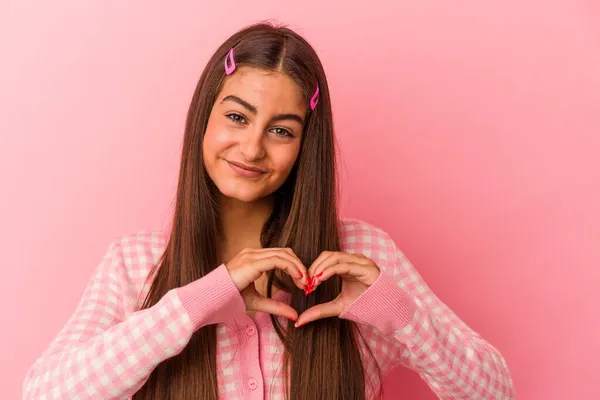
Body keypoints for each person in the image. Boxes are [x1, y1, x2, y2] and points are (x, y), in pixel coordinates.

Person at [22, 22, 515, 400]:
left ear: (305, 146)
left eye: (281, 130)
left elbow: (495, 390)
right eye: (237, 117)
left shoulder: (360, 254)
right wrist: (197, 303)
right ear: (204, 118)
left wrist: (399, 315)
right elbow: (46, 392)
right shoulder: (137, 263)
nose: (252, 148)